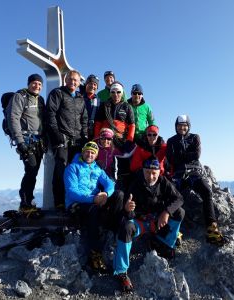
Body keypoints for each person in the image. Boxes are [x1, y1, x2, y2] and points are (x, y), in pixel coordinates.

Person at [113, 156, 184, 292]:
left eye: (154, 173)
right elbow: (127, 212)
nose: (150, 176)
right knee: (126, 227)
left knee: (179, 212)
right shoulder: (135, 184)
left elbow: (179, 198)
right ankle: (121, 272)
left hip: (157, 221)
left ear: (159, 172)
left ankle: (164, 244)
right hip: (140, 221)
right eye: (147, 172)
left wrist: (167, 212)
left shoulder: (163, 182)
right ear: (143, 171)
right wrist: (127, 209)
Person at [64, 141, 124, 272]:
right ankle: (94, 253)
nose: (89, 155)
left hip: (96, 200)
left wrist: (105, 194)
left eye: (93, 153)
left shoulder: (97, 169)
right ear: (83, 152)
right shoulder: (72, 168)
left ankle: (112, 230)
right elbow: (72, 191)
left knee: (119, 194)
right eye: (87, 151)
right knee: (94, 210)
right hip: (77, 204)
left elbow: (110, 184)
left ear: (96, 155)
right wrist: (93, 199)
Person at [166, 115, 226, 246]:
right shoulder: (171, 141)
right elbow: (171, 159)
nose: (182, 128)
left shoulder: (195, 137)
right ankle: (176, 231)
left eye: (185, 125)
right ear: (176, 127)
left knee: (206, 191)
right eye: (179, 126)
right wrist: (187, 156)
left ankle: (212, 228)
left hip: (195, 172)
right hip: (179, 174)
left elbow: (197, 155)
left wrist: (180, 157)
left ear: (188, 126)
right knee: (174, 197)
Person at [47, 70, 88, 210]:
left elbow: (84, 119)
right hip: (62, 140)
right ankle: (59, 202)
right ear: (65, 80)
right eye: (70, 79)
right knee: (61, 170)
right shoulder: (57, 94)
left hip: (77, 141)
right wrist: (57, 135)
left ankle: (73, 201)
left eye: (75, 80)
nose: (73, 82)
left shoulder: (80, 98)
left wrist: (85, 136)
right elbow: (50, 114)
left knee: (75, 171)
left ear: (78, 82)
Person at [6, 73, 46, 215]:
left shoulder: (40, 99)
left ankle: (29, 202)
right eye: (35, 83)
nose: (37, 86)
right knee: (30, 171)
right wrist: (20, 142)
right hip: (26, 140)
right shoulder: (20, 96)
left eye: (40, 84)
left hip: (39, 141)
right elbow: (13, 118)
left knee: (33, 172)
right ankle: (25, 203)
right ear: (29, 83)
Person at [94, 81, 135, 152]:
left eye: (118, 92)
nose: (115, 94)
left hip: (120, 139)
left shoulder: (127, 106)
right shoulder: (104, 105)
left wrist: (129, 140)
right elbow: (98, 123)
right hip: (105, 139)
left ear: (122, 93)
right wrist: (97, 137)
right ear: (110, 93)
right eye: (113, 92)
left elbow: (132, 125)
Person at [83, 74, 100, 140]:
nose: (92, 86)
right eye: (90, 83)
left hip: (94, 134)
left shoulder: (99, 102)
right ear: (86, 84)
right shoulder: (79, 98)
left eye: (95, 84)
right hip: (79, 133)